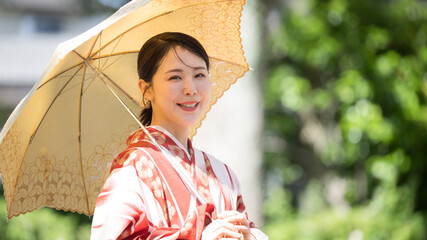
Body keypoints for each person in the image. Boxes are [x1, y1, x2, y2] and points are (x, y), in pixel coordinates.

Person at [90, 32, 268, 240]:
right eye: (175, 77)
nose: (190, 89)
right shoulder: (132, 168)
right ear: (146, 89)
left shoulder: (223, 174)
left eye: (199, 75)